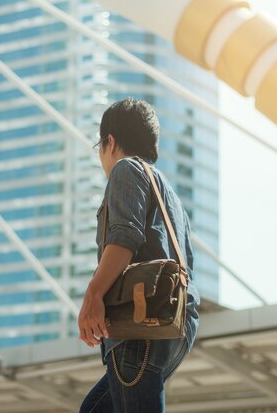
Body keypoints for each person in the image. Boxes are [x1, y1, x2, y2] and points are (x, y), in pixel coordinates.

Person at [78, 98, 200, 412]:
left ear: (110, 141)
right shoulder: (168, 192)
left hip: (138, 326)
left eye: (99, 147)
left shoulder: (126, 168)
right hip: (174, 326)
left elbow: (124, 237)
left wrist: (93, 295)